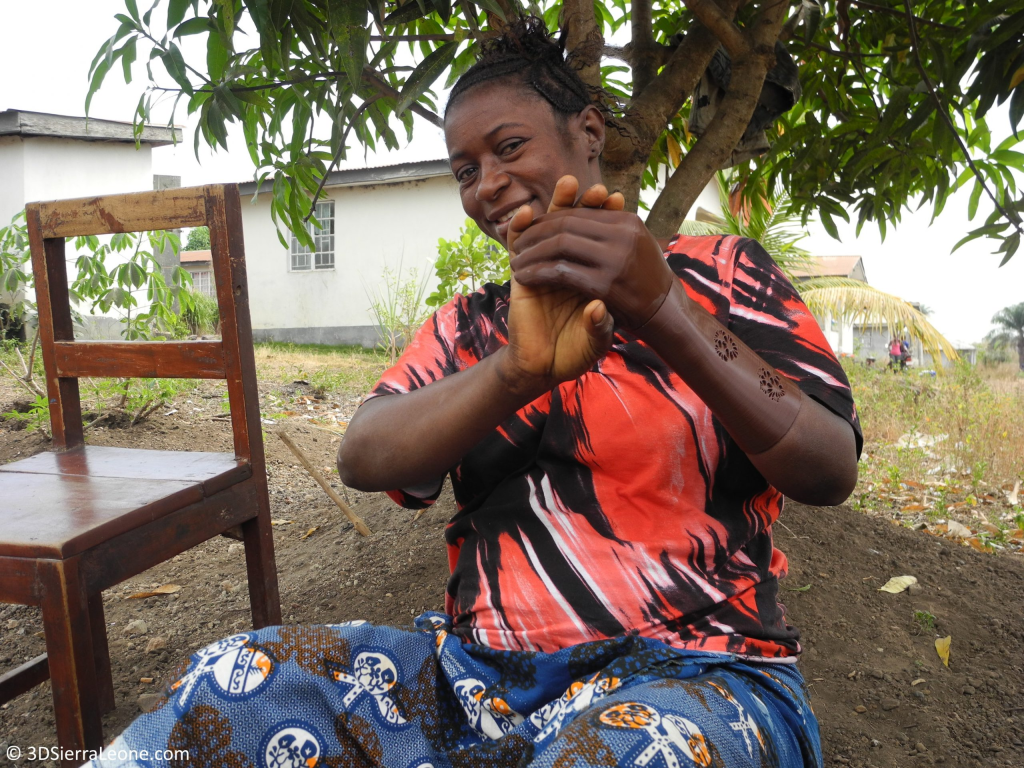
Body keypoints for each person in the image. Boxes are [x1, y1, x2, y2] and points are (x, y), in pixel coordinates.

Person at [88, 18, 860, 768]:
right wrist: (514, 373)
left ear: (588, 133)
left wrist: (664, 311)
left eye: (510, 147)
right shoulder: (468, 327)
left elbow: (827, 468)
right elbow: (365, 456)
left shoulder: (721, 275)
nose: (489, 184)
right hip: (474, 683)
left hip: (697, 678)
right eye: (464, 170)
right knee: (235, 684)